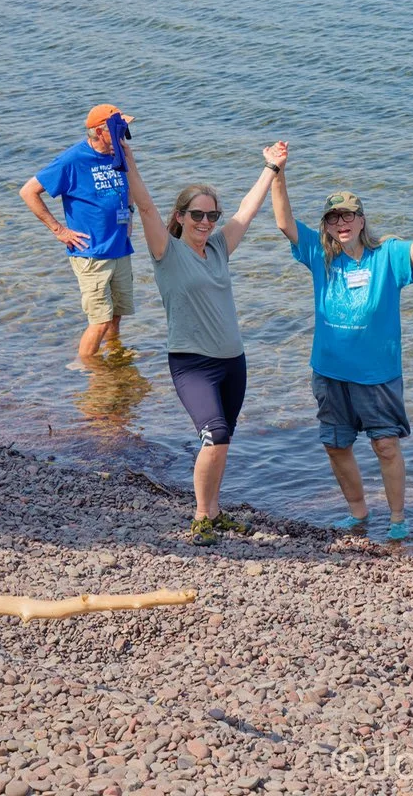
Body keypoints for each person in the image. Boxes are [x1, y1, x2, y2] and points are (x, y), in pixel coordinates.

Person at [125, 140, 282, 545]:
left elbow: (247, 210)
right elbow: (144, 206)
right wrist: (127, 158)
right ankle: (200, 517)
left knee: (223, 439)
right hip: (193, 363)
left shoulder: (218, 247)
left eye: (212, 215)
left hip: (234, 362)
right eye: (197, 214)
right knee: (213, 435)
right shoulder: (166, 250)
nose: (206, 222)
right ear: (180, 216)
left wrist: (271, 168)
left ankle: (214, 511)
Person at [271, 161, 413, 540]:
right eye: (333, 218)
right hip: (329, 372)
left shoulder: (387, 254)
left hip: (378, 375)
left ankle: (397, 519)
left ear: (361, 220)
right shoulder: (319, 255)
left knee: (385, 445)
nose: (341, 223)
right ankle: (358, 513)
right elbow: (283, 222)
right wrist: (278, 172)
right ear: (326, 225)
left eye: (348, 216)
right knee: (336, 445)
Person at [19, 104, 138, 361]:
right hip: (91, 254)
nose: (124, 132)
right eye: (119, 128)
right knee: (99, 321)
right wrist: (59, 230)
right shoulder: (72, 160)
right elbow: (28, 192)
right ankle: (88, 372)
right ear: (99, 131)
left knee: (116, 314)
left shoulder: (119, 154)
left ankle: (115, 359)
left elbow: (126, 189)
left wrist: (129, 215)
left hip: (120, 248)